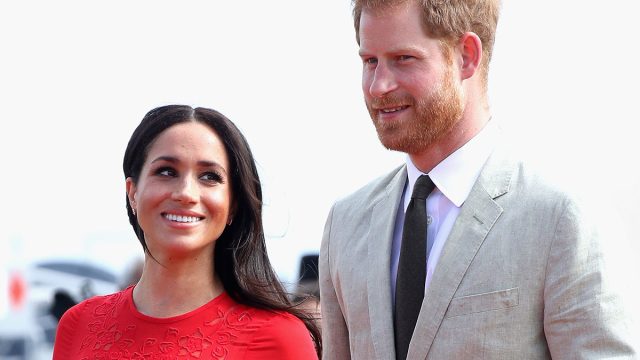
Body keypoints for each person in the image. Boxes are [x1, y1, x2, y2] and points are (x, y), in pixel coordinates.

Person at [319, 1, 638, 359]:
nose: (379, 86)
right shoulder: (345, 225)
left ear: (467, 56)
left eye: (404, 58)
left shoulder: (559, 217)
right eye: (370, 61)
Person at [53, 105, 321, 359]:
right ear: (133, 193)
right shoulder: (79, 324)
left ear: (232, 206)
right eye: (167, 171)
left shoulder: (279, 337)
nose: (185, 194)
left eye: (209, 176)